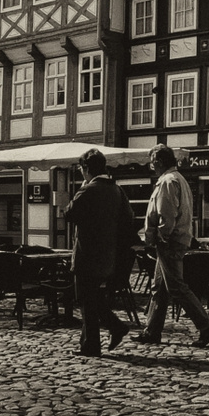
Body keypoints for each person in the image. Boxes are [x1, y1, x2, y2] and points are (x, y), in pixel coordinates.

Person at [132, 144, 209, 347]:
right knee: (159, 288)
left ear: (161, 162)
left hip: (169, 242)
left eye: (153, 163)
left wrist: (161, 237)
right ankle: (152, 331)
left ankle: (206, 325)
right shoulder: (179, 179)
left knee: (176, 287)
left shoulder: (167, 182)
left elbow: (167, 214)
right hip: (176, 239)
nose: (151, 167)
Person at [64, 148, 136, 357]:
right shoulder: (117, 190)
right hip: (108, 256)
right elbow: (128, 219)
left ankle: (99, 340)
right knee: (93, 297)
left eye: (81, 170)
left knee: (86, 299)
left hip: (87, 254)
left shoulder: (89, 190)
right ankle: (91, 341)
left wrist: (83, 187)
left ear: (86, 169)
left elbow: (69, 213)